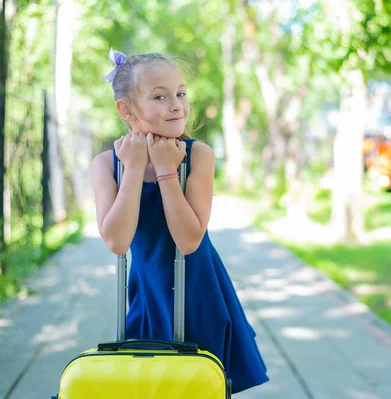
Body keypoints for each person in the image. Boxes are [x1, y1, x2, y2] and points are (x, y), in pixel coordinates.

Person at [91, 48, 269, 394]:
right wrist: (134, 168)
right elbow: (117, 241)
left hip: (199, 290)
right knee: (150, 385)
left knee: (201, 383)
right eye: (160, 96)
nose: (176, 105)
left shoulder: (198, 155)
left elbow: (189, 241)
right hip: (148, 293)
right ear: (127, 110)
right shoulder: (106, 164)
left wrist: (167, 172)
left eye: (180, 93)